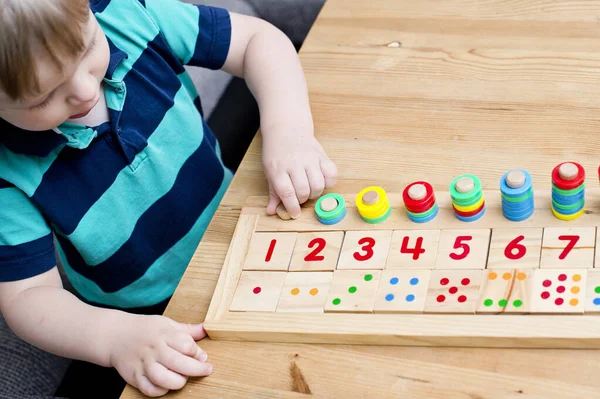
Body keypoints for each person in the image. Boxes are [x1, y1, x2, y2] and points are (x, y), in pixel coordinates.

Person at [0, 0, 337, 397]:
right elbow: (27, 297)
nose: (86, 90)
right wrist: (113, 337)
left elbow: (257, 40)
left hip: (244, 230)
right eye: (43, 98)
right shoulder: (7, 174)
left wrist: (289, 130)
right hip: (152, 316)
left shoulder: (132, 16)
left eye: (88, 47)